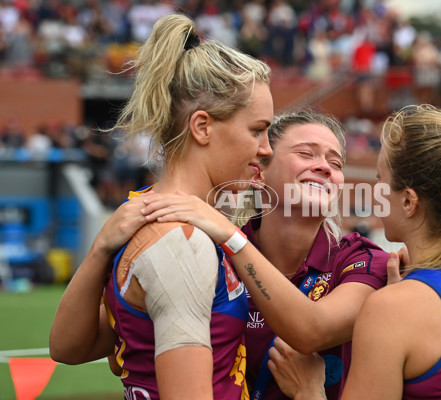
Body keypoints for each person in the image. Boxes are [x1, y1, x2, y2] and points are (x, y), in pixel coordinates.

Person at [49, 13, 274, 399]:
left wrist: (101, 249)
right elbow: (69, 348)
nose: (267, 148)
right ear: (202, 127)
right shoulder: (180, 239)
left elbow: (73, 347)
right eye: (257, 130)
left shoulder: (155, 213)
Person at [263, 104, 441, 399]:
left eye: (380, 181)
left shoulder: (392, 308)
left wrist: (309, 392)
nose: (376, 193)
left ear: (409, 202)